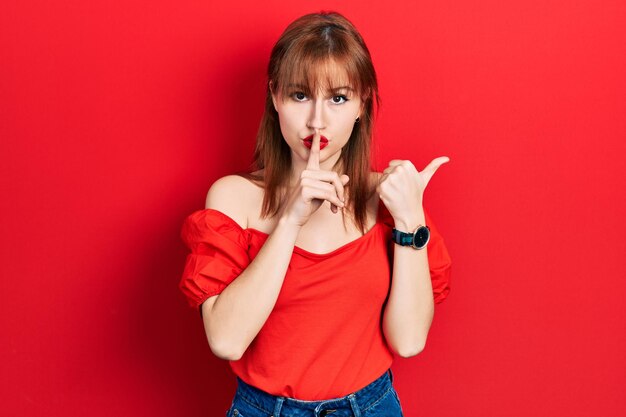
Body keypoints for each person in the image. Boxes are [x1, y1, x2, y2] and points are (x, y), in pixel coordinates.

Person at [179, 11, 452, 417]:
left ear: (362, 104)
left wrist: (411, 221)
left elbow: (409, 341)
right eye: (300, 95)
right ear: (275, 97)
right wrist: (289, 220)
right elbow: (226, 340)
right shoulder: (234, 197)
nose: (317, 121)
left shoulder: (389, 200)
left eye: (338, 98)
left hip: (370, 407)